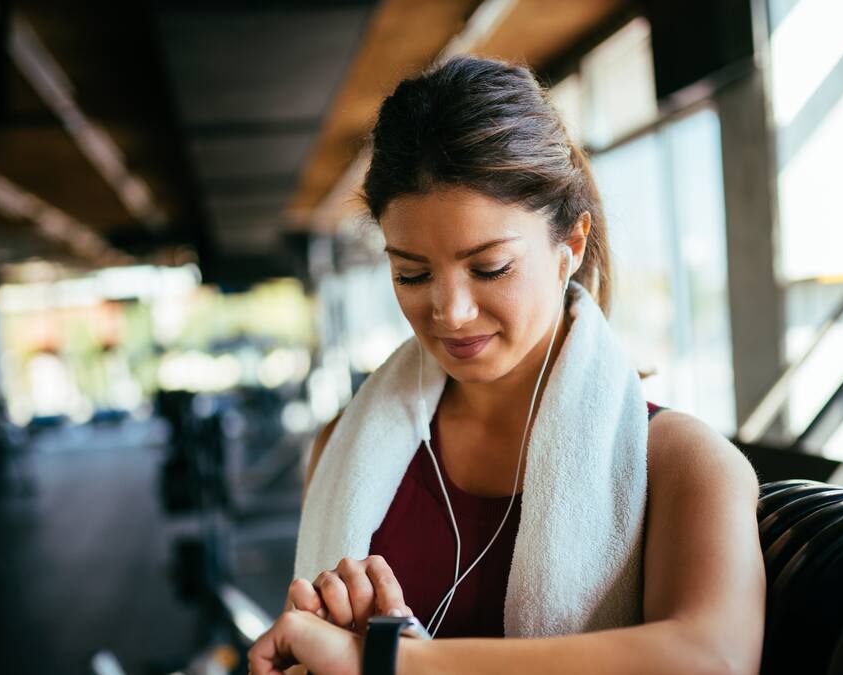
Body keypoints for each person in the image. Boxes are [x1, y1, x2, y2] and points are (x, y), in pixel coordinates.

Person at [248, 56, 764, 675]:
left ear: (570, 246)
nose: (452, 312)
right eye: (411, 273)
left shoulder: (681, 461)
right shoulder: (339, 446)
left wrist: (388, 665)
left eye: (490, 268)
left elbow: (714, 660)